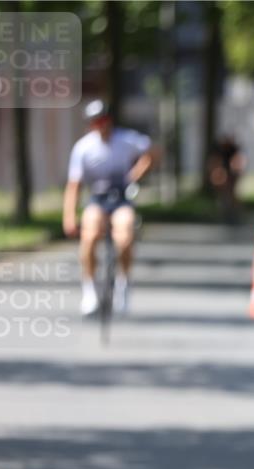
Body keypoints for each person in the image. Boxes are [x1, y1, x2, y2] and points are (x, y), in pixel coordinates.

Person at [62, 100, 157, 315]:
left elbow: (151, 151)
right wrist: (69, 216)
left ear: (109, 121)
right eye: (95, 122)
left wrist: (135, 175)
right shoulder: (83, 148)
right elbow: (74, 185)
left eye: (103, 121)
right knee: (89, 235)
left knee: (125, 234)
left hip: (121, 197)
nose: (100, 126)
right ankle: (89, 290)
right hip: (97, 198)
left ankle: (123, 284)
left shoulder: (126, 139)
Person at [207, 134, 246, 224]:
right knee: (223, 192)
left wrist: (236, 172)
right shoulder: (218, 149)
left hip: (232, 173)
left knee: (232, 193)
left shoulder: (233, 149)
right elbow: (214, 162)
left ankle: (236, 211)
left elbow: (238, 161)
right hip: (222, 172)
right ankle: (224, 210)